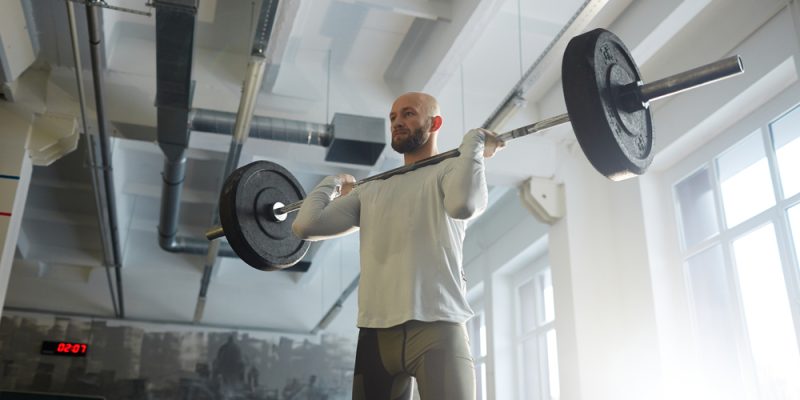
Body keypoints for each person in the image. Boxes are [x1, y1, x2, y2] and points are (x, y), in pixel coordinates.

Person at [292, 92, 504, 400]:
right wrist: (334, 183)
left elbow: (463, 205)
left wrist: (473, 145)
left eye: (408, 114)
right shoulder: (372, 189)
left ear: (435, 123)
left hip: (438, 327)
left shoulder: (450, 170)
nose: (397, 123)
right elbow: (305, 225)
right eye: (392, 117)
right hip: (376, 336)